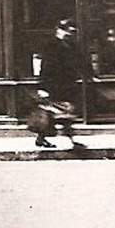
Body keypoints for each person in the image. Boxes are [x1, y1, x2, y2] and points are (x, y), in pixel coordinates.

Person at [32, 18, 85, 149]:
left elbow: (80, 61)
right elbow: (45, 67)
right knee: (56, 112)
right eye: (65, 31)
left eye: (71, 32)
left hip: (67, 84)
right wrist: (42, 87)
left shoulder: (72, 45)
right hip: (53, 85)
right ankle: (66, 139)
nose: (68, 34)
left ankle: (68, 139)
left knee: (64, 113)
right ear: (58, 30)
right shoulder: (51, 46)